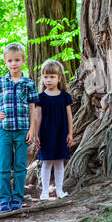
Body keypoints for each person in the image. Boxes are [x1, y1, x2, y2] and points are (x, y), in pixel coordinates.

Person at [0, 43, 39, 212]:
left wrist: (32, 130)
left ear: (23, 61)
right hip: (5, 130)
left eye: (17, 60)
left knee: (21, 165)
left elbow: (33, 108)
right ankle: (5, 199)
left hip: (22, 130)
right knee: (4, 165)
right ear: (5, 62)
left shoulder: (28, 83)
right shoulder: (1, 81)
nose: (14, 63)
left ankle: (17, 197)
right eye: (10, 60)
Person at [35, 59, 74, 200]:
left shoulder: (65, 97)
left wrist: (70, 133)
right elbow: (37, 116)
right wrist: (36, 135)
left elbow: (69, 116)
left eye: (52, 77)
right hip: (45, 134)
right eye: (46, 77)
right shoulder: (41, 97)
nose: (48, 80)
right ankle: (45, 191)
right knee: (46, 162)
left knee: (59, 162)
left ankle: (59, 190)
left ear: (59, 78)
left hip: (61, 133)